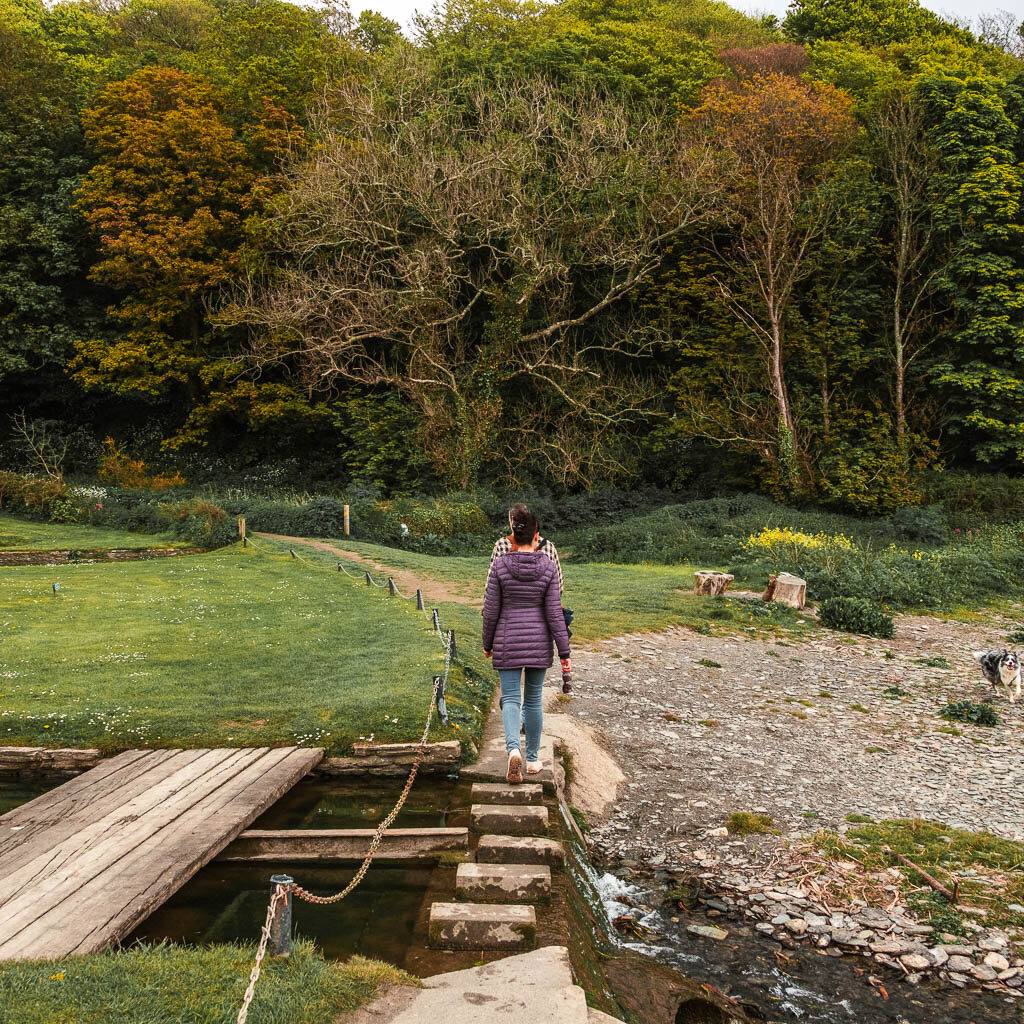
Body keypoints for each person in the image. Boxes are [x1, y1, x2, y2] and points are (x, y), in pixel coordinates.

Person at [482, 509, 571, 784]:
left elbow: (491, 610)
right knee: (532, 700)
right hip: (538, 643)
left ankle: (512, 752)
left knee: (510, 698)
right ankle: (532, 760)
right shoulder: (547, 566)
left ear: (512, 536)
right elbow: (555, 612)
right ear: (536, 536)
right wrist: (564, 651)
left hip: (507, 640)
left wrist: (487, 644)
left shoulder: (499, 566)